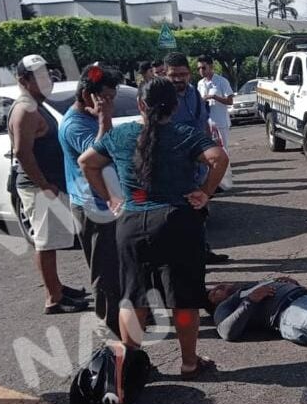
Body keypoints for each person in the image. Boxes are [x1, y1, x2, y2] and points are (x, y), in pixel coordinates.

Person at [79, 78, 229, 379]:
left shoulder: (120, 135)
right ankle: (189, 363)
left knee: (133, 296)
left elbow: (87, 162)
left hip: (132, 223)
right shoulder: (184, 134)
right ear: (174, 107)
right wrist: (205, 191)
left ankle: (130, 365)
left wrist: (111, 198)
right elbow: (218, 157)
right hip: (176, 221)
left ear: (140, 105)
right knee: (183, 296)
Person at [8, 54, 88, 314]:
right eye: (39, 76)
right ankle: (53, 297)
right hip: (38, 187)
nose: (47, 80)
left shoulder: (36, 104)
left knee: (52, 242)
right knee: (46, 243)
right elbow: (22, 151)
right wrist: (43, 184)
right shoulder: (26, 109)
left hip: (48, 184)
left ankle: (58, 288)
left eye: (47, 74)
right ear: (23, 80)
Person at [59, 63, 125, 336]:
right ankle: (111, 328)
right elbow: (101, 153)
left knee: (119, 268)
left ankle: (124, 319)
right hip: (94, 209)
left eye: (112, 97)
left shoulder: (87, 117)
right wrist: (104, 119)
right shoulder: (75, 125)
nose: (111, 103)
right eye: (106, 97)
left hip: (107, 204)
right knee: (106, 272)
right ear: (88, 94)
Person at [163, 52, 228, 264]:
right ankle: (184, 258)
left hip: (197, 165)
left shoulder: (194, 94)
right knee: (177, 217)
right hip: (176, 166)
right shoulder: (161, 97)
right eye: (174, 75)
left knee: (200, 212)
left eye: (183, 74)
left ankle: (203, 251)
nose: (179, 79)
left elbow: (204, 126)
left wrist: (209, 159)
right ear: (166, 73)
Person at [196, 55, 234, 150]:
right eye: (199, 68)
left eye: (204, 67)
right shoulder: (200, 83)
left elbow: (230, 101)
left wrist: (214, 97)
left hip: (220, 123)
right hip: (206, 123)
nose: (201, 70)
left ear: (211, 67)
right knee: (209, 150)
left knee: (223, 150)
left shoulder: (222, 81)